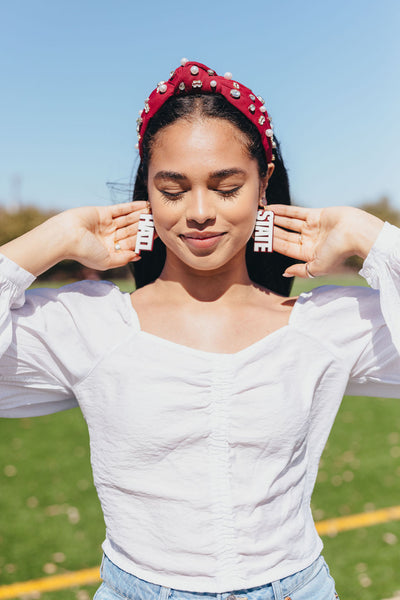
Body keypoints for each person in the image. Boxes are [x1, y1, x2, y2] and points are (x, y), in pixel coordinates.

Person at [1, 59, 399, 600]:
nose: (200, 212)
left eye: (226, 186)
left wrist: (367, 235)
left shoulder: (326, 328)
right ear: (147, 193)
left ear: (263, 187)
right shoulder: (88, 327)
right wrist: (50, 240)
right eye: (173, 189)